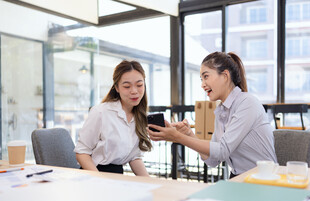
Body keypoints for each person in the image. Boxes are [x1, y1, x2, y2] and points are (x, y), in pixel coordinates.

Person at [148, 52, 277, 178]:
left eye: (206, 76)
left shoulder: (247, 103)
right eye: (201, 79)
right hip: (239, 178)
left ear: (225, 75)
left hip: (264, 179)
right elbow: (212, 160)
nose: (202, 84)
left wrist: (177, 137)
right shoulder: (222, 110)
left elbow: (222, 150)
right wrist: (188, 135)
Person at [74, 60, 151, 176]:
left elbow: (134, 158)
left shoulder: (139, 116)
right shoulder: (101, 112)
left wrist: (150, 183)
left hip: (117, 175)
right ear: (117, 88)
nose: (134, 91)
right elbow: (82, 153)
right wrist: (100, 179)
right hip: (94, 174)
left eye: (139, 85)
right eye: (127, 86)